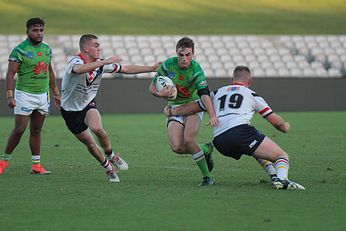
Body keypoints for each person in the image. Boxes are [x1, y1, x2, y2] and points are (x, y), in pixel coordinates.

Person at [164, 65, 305, 190]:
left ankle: (273, 175)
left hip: (220, 142)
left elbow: (193, 107)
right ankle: (282, 180)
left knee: (256, 149)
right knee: (282, 156)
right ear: (249, 82)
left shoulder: (217, 93)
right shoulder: (252, 94)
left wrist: (173, 111)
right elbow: (277, 123)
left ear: (233, 79)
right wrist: (285, 126)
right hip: (240, 133)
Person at [60, 34, 160, 182]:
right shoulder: (75, 61)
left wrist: (151, 68)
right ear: (86, 48)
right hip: (69, 112)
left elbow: (125, 69)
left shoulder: (101, 64)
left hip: (87, 104)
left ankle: (112, 155)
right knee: (91, 144)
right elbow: (79, 70)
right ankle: (108, 168)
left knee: (98, 129)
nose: (99, 48)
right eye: (96, 45)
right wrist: (105, 61)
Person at [149, 36, 218, 186]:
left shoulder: (196, 69)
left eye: (188, 55)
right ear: (176, 53)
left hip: (192, 106)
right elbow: (152, 87)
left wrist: (212, 115)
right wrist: (161, 94)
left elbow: (205, 94)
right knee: (177, 147)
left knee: (188, 139)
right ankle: (205, 149)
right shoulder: (168, 65)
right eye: (181, 55)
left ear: (192, 54)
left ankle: (208, 177)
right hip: (174, 106)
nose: (184, 58)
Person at [0, 18, 61, 175]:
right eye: (35, 30)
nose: (39, 33)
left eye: (41, 30)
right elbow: (10, 73)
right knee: (19, 129)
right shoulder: (19, 50)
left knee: (36, 130)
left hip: (42, 96)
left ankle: (36, 166)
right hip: (24, 94)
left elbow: (50, 71)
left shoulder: (47, 49)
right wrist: (9, 96)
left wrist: (56, 93)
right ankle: (3, 161)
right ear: (27, 32)